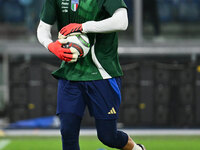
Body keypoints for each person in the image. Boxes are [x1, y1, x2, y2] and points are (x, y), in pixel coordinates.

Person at [37, 0, 146, 150]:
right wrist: (50, 45)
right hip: (70, 75)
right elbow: (43, 27)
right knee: (67, 132)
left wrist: (83, 27)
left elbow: (122, 22)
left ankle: (136, 149)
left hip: (103, 74)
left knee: (108, 137)